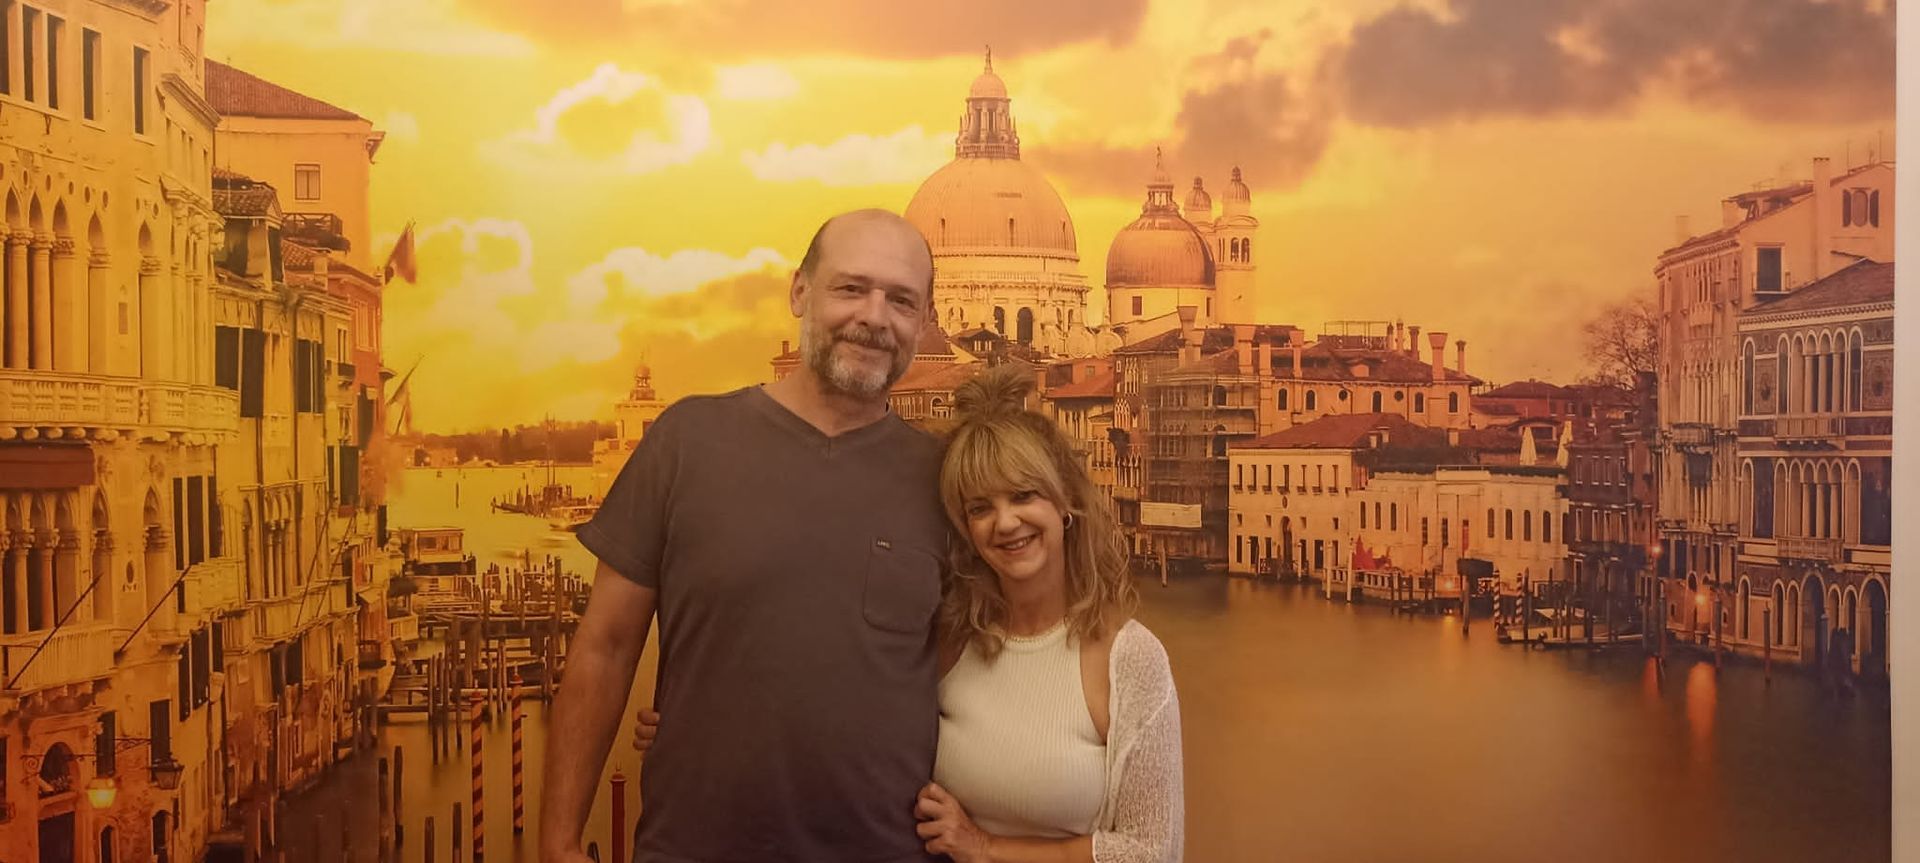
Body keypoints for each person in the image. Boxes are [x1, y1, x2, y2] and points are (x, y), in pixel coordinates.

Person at [637, 365, 1186, 863]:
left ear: (1064, 504)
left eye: (1023, 496)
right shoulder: (950, 640)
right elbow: (836, 713)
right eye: (980, 507)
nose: (1005, 523)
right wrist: (705, 719)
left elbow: (1151, 851)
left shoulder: (1129, 659)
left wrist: (988, 848)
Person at [540, 208, 947, 863]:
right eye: (851, 288)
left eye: (901, 299)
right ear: (799, 293)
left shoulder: (948, 483)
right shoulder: (685, 442)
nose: (875, 315)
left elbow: (978, 674)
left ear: (923, 323)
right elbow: (605, 647)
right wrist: (557, 841)